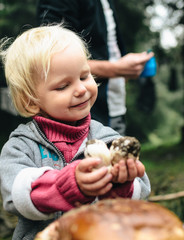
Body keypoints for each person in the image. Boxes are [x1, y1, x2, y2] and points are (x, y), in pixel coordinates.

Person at [0, 24, 150, 240]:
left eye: (84, 76)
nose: (81, 89)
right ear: (30, 101)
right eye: (63, 86)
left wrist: (121, 186)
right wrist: (67, 186)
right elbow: (16, 195)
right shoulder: (21, 146)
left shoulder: (109, 140)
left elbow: (141, 194)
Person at [37, 0, 154, 135]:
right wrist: (117, 69)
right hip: (82, 117)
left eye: (84, 77)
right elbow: (51, 59)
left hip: (115, 108)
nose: (81, 88)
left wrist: (127, 69)